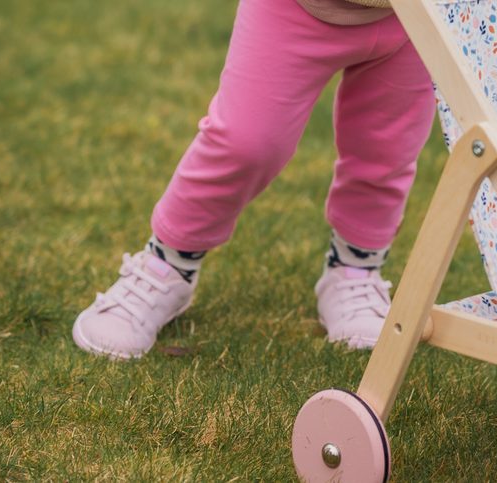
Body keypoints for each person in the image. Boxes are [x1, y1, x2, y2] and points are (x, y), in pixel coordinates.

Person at [71, 0, 436, 359]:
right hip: (296, 8)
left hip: (419, 16)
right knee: (246, 142)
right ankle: (167, 265)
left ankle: (355, 270)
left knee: (388, 149)